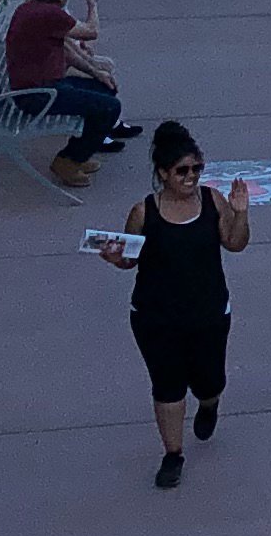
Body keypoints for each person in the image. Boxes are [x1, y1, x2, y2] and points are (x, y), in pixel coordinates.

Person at [103, 119, 247, 488]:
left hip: (208, 312)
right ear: (163, 173)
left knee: (209, 381)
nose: (191, 176)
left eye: (197, 169)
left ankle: (209, 403)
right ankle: (173, 454)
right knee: (167, 385)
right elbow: (129, 259)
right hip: (155, 316)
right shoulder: (143, 213)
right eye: (182, 170)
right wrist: (113, 256)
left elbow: (235, 242)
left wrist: (241, 211)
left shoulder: (213, 201)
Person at [2, 0, 130, 183]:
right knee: (110, 107)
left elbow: (66, 51)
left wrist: (95, 72)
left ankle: (78, 153)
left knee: (106, 89)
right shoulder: (50, 15)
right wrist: (92, 3)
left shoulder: (31, 9)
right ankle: (68, 161)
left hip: (44, 85)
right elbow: (90, 33)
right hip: (38, 94)